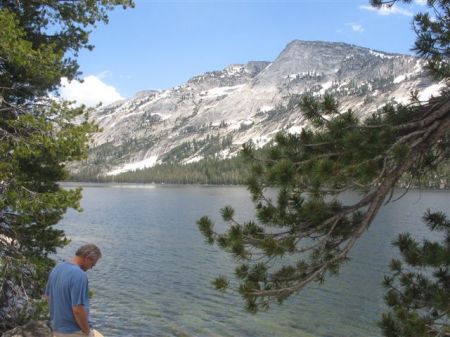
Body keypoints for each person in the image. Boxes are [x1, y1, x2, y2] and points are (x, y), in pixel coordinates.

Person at [44, 244, 103, 337]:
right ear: (87, 258)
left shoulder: (57, 268)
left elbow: (47, 297)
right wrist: (87, 332)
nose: (92, 267)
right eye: (93, 264)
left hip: (57, 328)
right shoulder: (79, 275)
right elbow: (78, 309)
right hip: (73, 331)